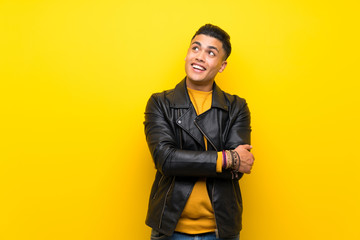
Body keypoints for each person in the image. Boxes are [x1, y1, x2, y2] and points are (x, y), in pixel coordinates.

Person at [144, 24, 255, 240]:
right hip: (169, 228)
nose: (200, 57)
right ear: (187, 54)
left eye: (211, 53)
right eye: (195, 48)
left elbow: (238, 168)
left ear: (222, 66)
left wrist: (185, 160)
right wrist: (226, 157)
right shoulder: (160, 103)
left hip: (221, 230)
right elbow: (165, 159)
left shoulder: (236, 107)